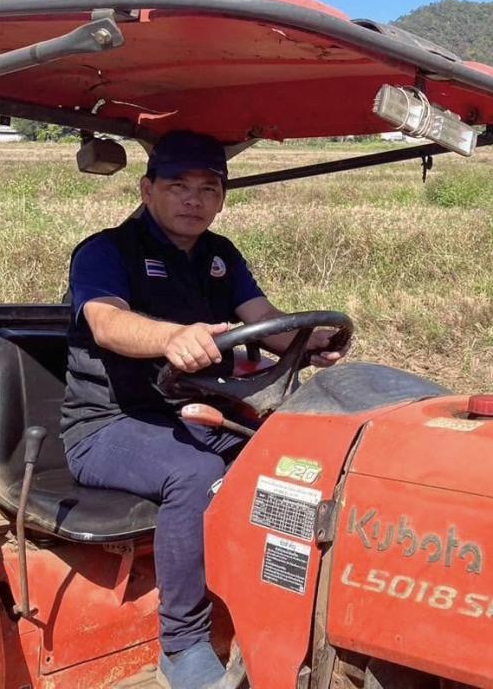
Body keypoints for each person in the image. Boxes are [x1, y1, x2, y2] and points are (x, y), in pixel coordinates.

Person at [63, 131, 349, 689]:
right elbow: (105, 321)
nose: (193, 199)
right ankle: (183, 644)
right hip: (108, 425)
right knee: (195, 472)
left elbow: (260, 315)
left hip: (190, 411)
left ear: (221, 198)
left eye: (207, 188)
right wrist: (172, 337)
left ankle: (286, 603)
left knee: (295, 457)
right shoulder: (105, 251)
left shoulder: (220, 254)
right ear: (147, 191)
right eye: (177, 186)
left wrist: (308, 342)